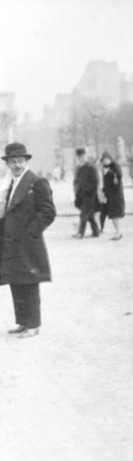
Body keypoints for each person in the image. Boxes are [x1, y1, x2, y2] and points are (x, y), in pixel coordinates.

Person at [0, 143, 56, 338]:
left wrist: (31, 233)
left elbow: (48, 212)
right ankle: (23, 322)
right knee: (16, 281)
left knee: (29, 283)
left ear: (26, 161)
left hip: (27, 243)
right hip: (11, 242)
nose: (16, 165)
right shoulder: (11, 183)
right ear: (8, 163)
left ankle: (33, 325)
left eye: (20, 161)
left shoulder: (36, 182)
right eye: (12, 161)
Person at [73, 148, 100, 238]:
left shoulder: (91, 167)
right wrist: (77, 193)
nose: (81, 158)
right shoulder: (79, 168)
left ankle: (81, 233)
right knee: (90, 215)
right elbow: (77, 182)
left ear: (85, 156)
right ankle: (96, 232)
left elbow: (95, 181)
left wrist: (89, 191)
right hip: (81, 195)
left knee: (83, 214)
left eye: (83, 156)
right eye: (79, 157)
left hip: (89, 195)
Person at [99, 151, 125, 240]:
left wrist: (109, 172)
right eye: (103, 160)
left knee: (114, 215)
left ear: (110, 159)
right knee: (113, 215)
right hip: (111, 195)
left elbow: (118, 177)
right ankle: (117, 232)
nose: (104, 161)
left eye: (106, 159)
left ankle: (118, 232)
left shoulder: (115, 167)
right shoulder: (107, 167)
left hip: (115, 196)